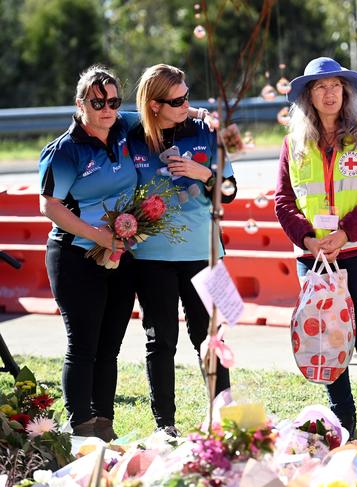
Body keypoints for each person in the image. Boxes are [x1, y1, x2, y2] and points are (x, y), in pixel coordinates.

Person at [275, 57, 357, 441]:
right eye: (320, 87)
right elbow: (283, 200)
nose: (330, 93)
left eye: (336, 86)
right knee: (327, 341)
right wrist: (308, 239)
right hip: (313, 256)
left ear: (346, 91)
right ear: (308, 96)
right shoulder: (292, 143)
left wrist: (346, 233)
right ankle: (343, 423)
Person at [129, 64, 237, 436]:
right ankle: (166, 426)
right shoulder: (132, 134)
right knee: (161, 341)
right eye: (177, 100)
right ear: (154, 105)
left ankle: (224, 419)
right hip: (151, 257)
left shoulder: (205, 131)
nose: (187, 104)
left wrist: (204, 174)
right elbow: (104, 113)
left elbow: (231, 192)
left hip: (205, 253)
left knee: (212, 338)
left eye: (188, 96)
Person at [39, 65, 139, 441]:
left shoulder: (124, 130)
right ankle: (81, 426)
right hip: (75, 256)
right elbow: (49, 206)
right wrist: (97, 235)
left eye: (114, 101)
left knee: (109, 347)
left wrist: (195, 113)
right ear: (80, 104)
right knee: (83, 346)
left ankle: (104, 427)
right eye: (98, 102)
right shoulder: (65, 150)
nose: (107, 109)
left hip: (119, 256)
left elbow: (153, 110)